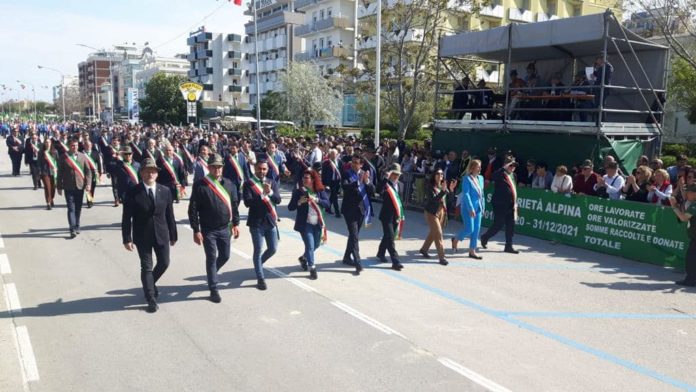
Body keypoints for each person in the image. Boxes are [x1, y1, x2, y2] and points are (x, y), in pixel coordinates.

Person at [122, 158, 178, 313]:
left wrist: (173, 234)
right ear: (141, 173)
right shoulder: (133, 192)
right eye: (147, 171)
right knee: (146, 267)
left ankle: (149, 284)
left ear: (157, 174)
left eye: (153, 171)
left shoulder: (165, 191)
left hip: (162, 234)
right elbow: (126, 217)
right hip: (142, 236)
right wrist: (127, 238)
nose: (150, 174)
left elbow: (170, 215)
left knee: (164, 263)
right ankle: (151, 298)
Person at [188, 154, 241, 302]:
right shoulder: (200, 185)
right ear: (209, 167)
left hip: (225, 228)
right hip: (208, 229)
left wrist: (236, 223)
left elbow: (235, 205)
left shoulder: (229, 184)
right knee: (211, 258)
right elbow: (193, 209)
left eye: (219, 166)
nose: (217, 169)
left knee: (225, 255)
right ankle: (213, 288)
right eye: (214, 166)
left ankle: (212, 274)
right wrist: (196, 230)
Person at [244, 159, 281, 290]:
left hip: (270, 221)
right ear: (255, 168)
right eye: (259, 168)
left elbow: (278, 200)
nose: (262, 171)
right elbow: (247, 202)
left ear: (267, 170)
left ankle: (258, 264)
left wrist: (270, 192)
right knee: (258, 250)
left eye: (264, 169)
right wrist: (262, 195)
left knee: (273, 249)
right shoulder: (249, 183)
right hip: (256, 222)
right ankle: (260, 278)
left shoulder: (272, 182)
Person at [288, 169, 330, 280]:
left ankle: (304, 258)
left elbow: (327, 204)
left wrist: (316, 199)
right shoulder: (299, 191)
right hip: (305, 224)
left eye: (306, 178)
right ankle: (312, 268)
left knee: (316, 245)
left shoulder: (320, 190)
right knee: (310, 245)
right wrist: (299, 202)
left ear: (312, 180)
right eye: (303, 178)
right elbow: (290, 207)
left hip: (318, 223)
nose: (304, 180)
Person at [341, 154, 375, 274]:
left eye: (356, 162)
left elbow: (372, 191)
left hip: (361, 209)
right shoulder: (346, 173)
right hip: (349, 210)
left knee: (353, 235)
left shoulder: (364, 174)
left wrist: (367, 182)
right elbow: (344, 186)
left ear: (361, 164)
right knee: (354, 236)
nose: (354, 164)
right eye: (353, 162)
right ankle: (357, 262)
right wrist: (357, 182)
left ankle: (346, 257)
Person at [480, 157, 519, 254]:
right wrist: (503, 168)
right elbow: (493, 176)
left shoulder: (513, 175)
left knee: (511, 224)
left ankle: (508, 246)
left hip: (511, 204)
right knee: (498, 224)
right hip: (500, 204)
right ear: (505, 165)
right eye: (511, 165)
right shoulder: (500, 174)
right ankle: (485, 237)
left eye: (514, 166)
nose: (512, 167)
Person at [57, 138, 93, 238]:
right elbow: (60, 173)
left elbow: (88, 172)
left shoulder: (83, 156)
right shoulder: (64, 157)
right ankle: (72, 228)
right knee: (71, 208)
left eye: (76, 145)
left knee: (78, 208)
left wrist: (88, 183)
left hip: (80, 186)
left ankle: (77, 225)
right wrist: (59, 186)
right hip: (68, 187)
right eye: (73, 145)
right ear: (69, 146)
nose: (75, 147)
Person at [452, 159, 486, 259]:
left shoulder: (481, 178)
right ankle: (456, 239)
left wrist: (483, 207)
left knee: (476, 230)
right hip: (467, 208)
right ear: (472, 168)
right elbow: (466, 195)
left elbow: (482, 194)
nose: (480, 168)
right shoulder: (466, 179)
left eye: (480, 166)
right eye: (478, 166)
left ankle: (472, 251)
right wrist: (471, 208)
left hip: (478, 207)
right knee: (469, 229)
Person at [420, 168, 455, 264]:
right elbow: (433, 200)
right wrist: (443, 191)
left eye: (441, 174)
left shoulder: (442, 186)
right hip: (431, 212)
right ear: (434, 175)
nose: (440, 176)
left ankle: (424, 249)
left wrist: (451, 191)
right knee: (438, 234)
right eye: (438, 174)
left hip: (442, 212)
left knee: (433, 232)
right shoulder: (429, 186)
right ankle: (442, 257)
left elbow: (449, 201)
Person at [376, 163, 405, 271]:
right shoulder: (386, 184)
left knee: (387, 236)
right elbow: (378, 191)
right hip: (386, 216)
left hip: (396, 215)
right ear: (390, 173)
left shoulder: (400, 185)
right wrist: (385, 179)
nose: (396, 176)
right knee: (390, 237)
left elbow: (400, 201)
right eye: (394, 174)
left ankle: (380, 253)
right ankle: (395, 261)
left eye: (398, 174)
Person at [669, 185, 696, 286]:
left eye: (688, 192)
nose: (686, 194)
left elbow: (683, 218)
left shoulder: (694, 205)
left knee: (691, 259)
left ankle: (691, 280)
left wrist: (674, 207)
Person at [321, 149, 343, 218]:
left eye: (335, 154)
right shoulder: (326, 162)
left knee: (333, 196)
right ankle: (337, 212)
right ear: (330, 154)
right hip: (331, 181)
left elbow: (341, 171)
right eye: (332, 154)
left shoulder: (339, 161)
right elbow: (323, 174)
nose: (334, 155)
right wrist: (324, 183)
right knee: (334, 196)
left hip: (337, 181)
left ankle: (327, 208)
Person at [38, 138, 58, 210]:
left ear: (51, 143)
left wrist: (58, 170)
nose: (47, 143)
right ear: (44, 143)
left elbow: (58, 162)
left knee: (53, 188)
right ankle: (48, 203)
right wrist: (39, 172)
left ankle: (51, 198)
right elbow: (39, 163)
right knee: (47, 187)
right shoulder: (41, 152)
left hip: (53, 172)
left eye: (49, 142)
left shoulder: (55, 151)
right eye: (46, 142)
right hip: (45, 172)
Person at [81, 139, 102, 208]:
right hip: (84, 173)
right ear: (84, 146)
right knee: (87, 187)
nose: (88, 146)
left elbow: (99, 163)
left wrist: (100, 172)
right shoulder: (81, 153)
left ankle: (90, 198)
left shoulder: (95, 153)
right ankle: (89, 201)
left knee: (92, 188)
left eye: (89, 145)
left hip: (93, 173)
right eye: (86, 145)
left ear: (91, 146)